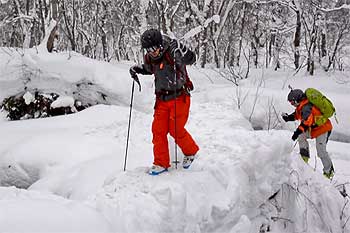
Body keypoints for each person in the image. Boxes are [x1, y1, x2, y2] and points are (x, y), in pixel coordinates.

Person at [129, 28, 199, 175]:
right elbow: (150, 68)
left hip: (179, 96)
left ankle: (191, 152)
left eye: (154, 48)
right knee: (158, 131)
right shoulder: (150, 57)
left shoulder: (173, 50)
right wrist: (139, 69)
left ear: (160, 44)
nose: (152, 52)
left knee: (175, 129)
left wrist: (182, 50)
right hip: (161, 99)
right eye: (148, 50)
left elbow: (192, 59)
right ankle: (161, 163)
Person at [282, 89, 334, 179]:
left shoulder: (306, 107)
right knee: (301, 136)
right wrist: (288, 117)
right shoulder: (302, 106)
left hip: (323, 128)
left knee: (321, 151)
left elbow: (306, 123)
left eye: (292, 102)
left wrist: (296, 132)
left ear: (297, 99)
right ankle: (304, 157)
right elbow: (297, 115)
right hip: (314, 129)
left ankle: (329, 171)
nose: (292, 104)